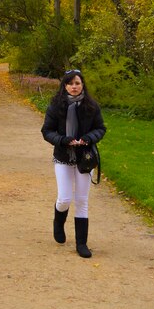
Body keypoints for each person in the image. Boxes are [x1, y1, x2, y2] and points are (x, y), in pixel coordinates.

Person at [41, 69, 106, 258]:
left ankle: (81, 243)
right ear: (65, 86)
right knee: (64, 198)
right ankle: (58, 222)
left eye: (77, 83)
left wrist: (88, 138)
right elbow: (47, 131)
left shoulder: (92, 106)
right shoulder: (56, 106)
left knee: (82, 200)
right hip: (63, 156)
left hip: (85, 158)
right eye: (70, 83)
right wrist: (63, 140)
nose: (74, 86)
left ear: (82, 84)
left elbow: (100, 128)